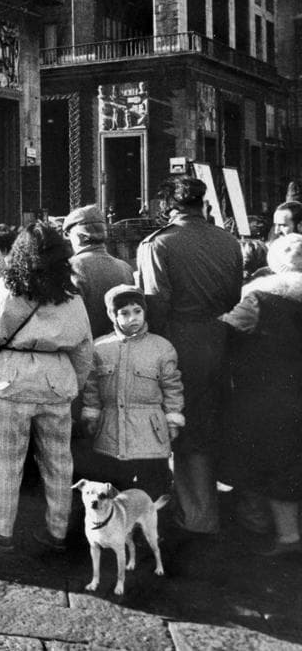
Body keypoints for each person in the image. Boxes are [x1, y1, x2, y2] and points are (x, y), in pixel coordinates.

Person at [0, 222, 94, 553]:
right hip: (56, 380)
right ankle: (57, 531)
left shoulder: (0, 290)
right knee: (59, 462)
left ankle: (2, 531)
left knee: (6, 461)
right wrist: (71, 386)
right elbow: (83, 350)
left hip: (10, 379)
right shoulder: (71, 296)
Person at [136, 175, 242, 536]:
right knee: (210, 422)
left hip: (178, 343)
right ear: (202, 204)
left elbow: (155, 305)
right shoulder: (229, 242)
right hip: (219, 338)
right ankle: (203, 503)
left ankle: (197, 515)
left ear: (169, 206)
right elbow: (234, 297)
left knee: (183, 426)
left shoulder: (158, 245)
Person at [219, 233, 302, 556]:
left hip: (271, 397)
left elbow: (227, 334)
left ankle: (287, 536)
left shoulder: (260, 300)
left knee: (275, 462)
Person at [80, 284, 184, 499]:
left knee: (154, 490)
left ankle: (154, 530)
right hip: (111, 434)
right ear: (112, 315)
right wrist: (92, 413)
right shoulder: (100, 348)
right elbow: (92, 388)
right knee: (115, 491)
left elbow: (172, 386)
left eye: (137, 311)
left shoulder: (161, 347)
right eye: (124, 313)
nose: (132, 318)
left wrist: (173, 419)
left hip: (150, 436)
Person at [63, 204, 134, 340]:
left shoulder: (69, 268)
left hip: (84, 348)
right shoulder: (125, 268)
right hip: (119, 348)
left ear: (79, 237)